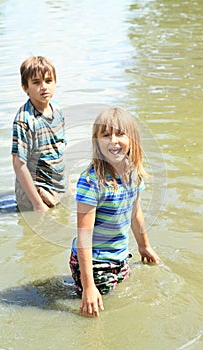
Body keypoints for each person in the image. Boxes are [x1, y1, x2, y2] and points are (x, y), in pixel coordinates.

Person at [69, 107, 160, 317]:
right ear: (97, 142)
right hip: (95, 262)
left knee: (117, 306)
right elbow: (84, 235)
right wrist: (88, 285)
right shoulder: (91, 181)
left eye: (120, 134)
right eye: (105, 135)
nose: (113, 141)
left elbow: (135, 212)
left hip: (120, 257)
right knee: (95, 312)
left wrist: (144, 246)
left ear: (132, 139)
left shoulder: (133, 174)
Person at [11, 56, 67, 212]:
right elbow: (18, 164)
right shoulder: (24, 120)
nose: (44, 87)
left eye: (48, 81)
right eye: (36, 82)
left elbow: (61, 150)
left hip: (58, 187)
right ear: (25, 87)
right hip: (37, 194)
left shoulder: (57, 110)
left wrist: (67, 187)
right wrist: (37, 204)